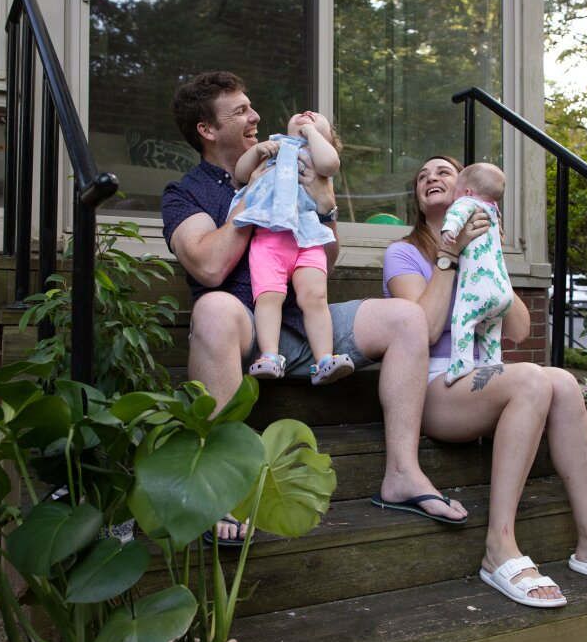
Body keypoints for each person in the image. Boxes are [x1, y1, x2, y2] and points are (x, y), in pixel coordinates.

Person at [161, 72, 467, 545]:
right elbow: (208, 266)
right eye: (240, 110)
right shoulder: (186, 194)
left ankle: (403, 474)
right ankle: (220, 487)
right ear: (206, 129)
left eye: (251, 106)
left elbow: (325, 259)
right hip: (242, 328)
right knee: (215, 309)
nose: (255, 116)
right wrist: (255, 198)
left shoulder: (290, 161)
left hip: (306, 321)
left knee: (406, 318)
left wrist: (324, 208)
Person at [382, 155, 587, 608]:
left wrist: (489, 256)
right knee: (533, 379)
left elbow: (517, 329)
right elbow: (426, 329)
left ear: (470, 192)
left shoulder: (485, 241)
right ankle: (499, 546)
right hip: (431, 385)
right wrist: (450, 256)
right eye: (422, 176)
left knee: (565, 383)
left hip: (480, 377)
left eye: (443, 173)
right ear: (419, 196)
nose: (431, 178)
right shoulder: (403, 253)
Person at [230, 110, 355, 385]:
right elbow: (241, 174)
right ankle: (269, 355)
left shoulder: (317, 159)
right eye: (303, 116)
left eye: (317, 120)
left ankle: (324, 359)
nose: (308, 114)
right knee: (268, 297)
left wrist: (311, 134)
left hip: (308, 240)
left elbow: (330, 163)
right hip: (269, 238)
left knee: (315, 298)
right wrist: (257, 151)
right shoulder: (274, 147)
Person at [437, 162, 513, 385]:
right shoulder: (493, 211)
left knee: (464, 320)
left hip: (477, 289)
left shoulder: (466, 202)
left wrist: (449, 231)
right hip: (502, 290)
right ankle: (492, 362)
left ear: (467, 192)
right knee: (490, 328)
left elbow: (456, 215)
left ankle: (462, 362)